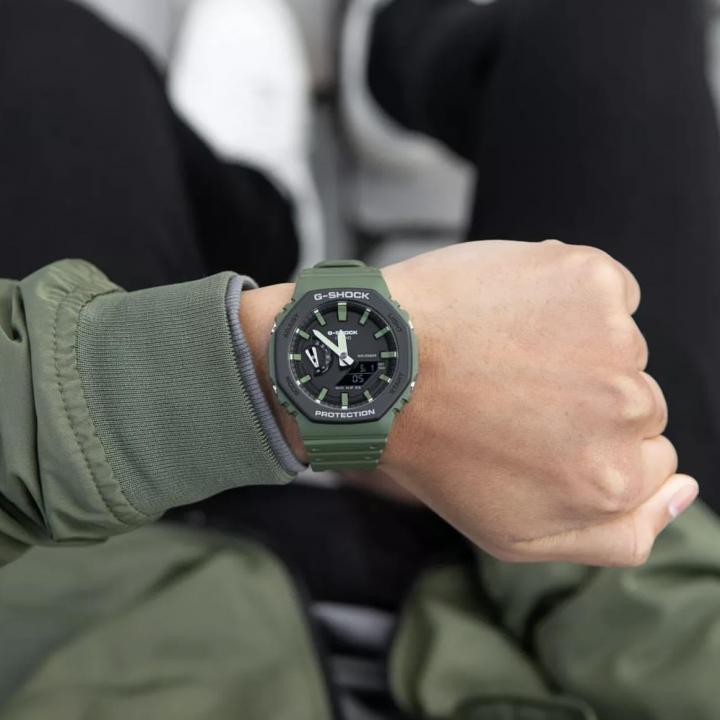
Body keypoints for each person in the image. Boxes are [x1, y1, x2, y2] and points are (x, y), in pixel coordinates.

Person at [0, 0, 718, 718]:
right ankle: (388, 71)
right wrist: (583, 513)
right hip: (528, 606)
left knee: (47, 53)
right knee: (617, 26)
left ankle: (260, 225)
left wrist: (251, 375)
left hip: (107, 570)